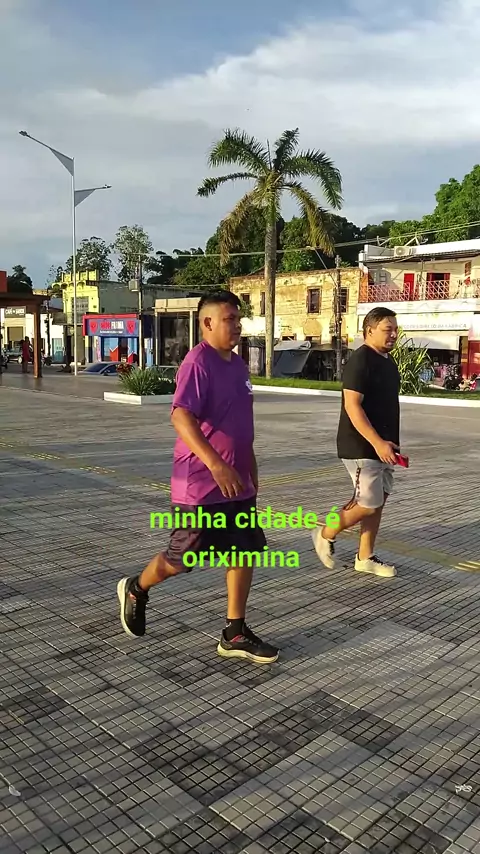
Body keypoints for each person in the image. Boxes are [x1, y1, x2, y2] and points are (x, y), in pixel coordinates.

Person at [117, 290, 278, 665]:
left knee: (244, 550)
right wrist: (216, 464)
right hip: (201, 485)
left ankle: (234, 632)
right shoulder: (198, 362)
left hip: (237, 483)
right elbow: (180, 415)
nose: (237, 326)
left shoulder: (237, 366)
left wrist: (250, 467)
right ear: (207, 323)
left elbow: (240, 425)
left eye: (238, 319)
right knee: (182, 559)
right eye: (229, 319)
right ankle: (137, 587)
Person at [312, 306, 402, 579]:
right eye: (387, 330)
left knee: (378, 501)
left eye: (395, 329)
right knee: (367, 503)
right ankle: (325, 532)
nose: (393, 334)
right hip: (362, 446)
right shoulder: (360, 361)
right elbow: (352, 406)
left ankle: (365, 557)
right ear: (369, 331)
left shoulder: (388, 363)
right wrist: (377, 442)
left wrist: (389, 443)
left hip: (384, 446)